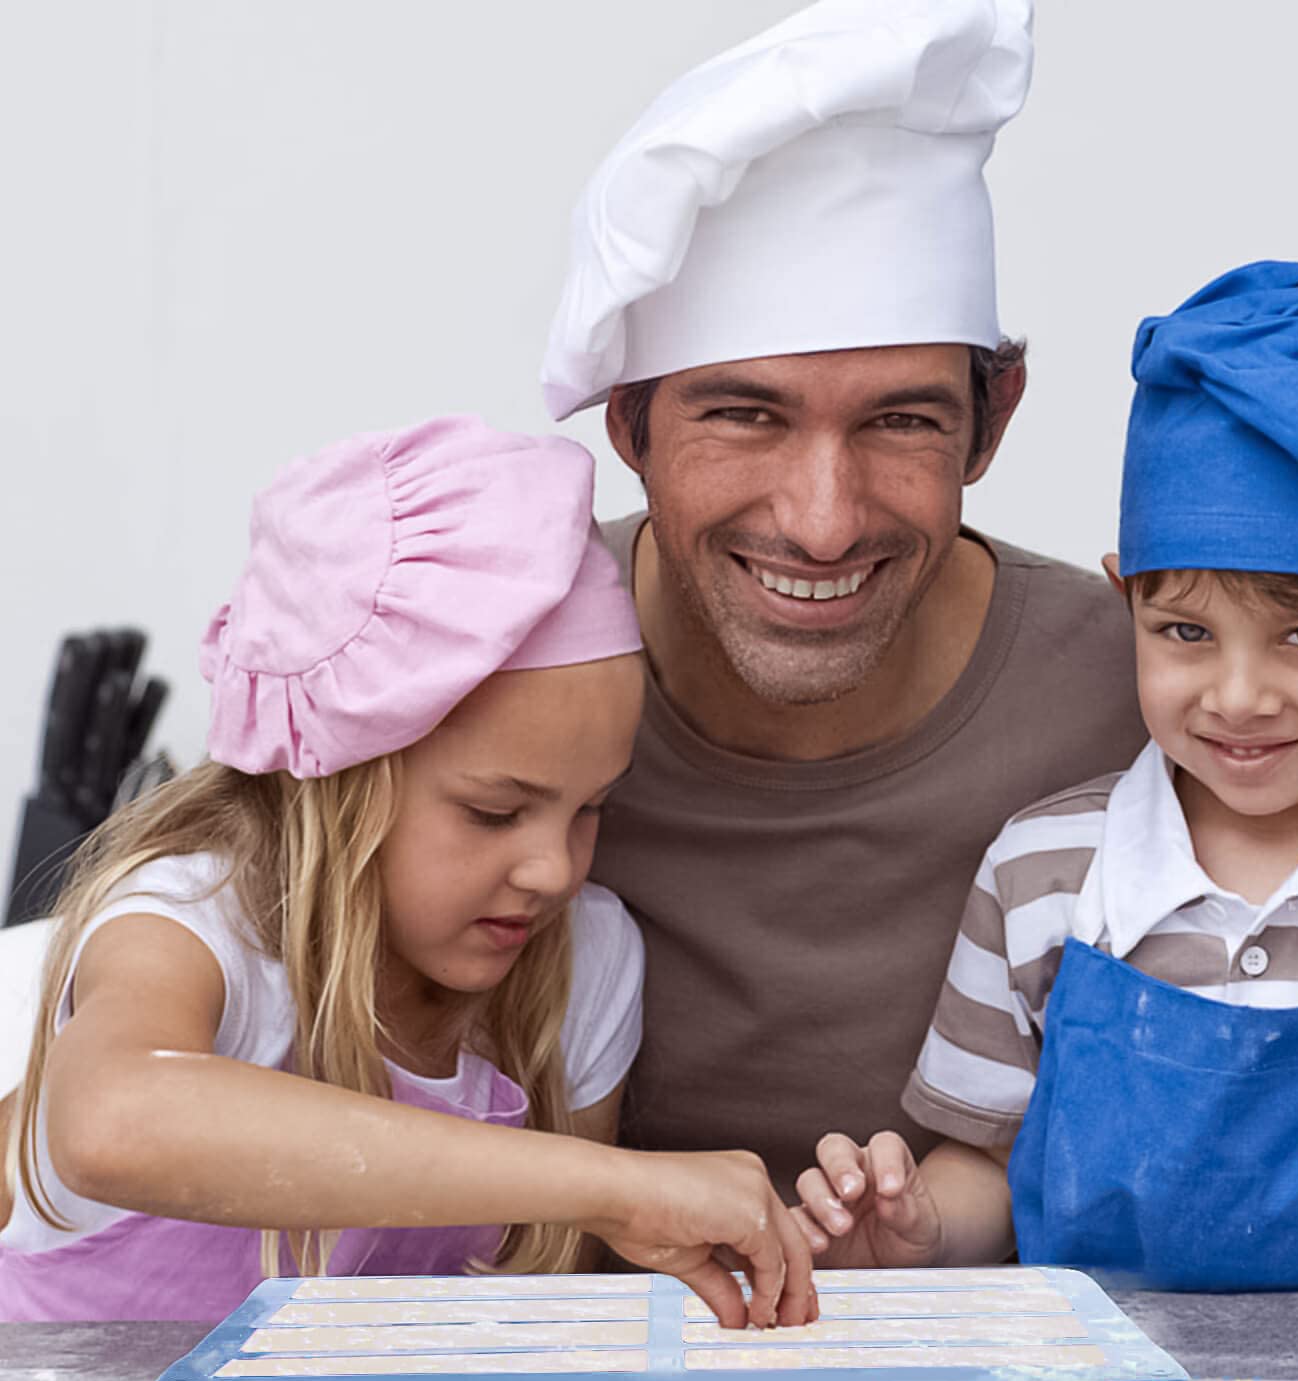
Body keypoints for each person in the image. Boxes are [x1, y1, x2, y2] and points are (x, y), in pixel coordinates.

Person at [794, 260, 1298, 1327]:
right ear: (1125, 597)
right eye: (1184, 633)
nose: (1239, 695)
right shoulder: (1044, 869)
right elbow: (989, 1162)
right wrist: (918, 1231)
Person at [0, 415, 815, 1329]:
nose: (552, 869)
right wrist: (614, 1186)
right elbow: (110, 1122)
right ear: (339, 782)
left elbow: (533, 1319)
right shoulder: (197, 922)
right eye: (494, 813)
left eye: (592, 808)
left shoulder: (585, 965)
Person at [539, 0, 1146, 1199]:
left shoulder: (1156, 703)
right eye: (744, 415)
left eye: (902, 420)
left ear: (995, 418)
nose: (823, 519)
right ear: (629, 424)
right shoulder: (490, 660)